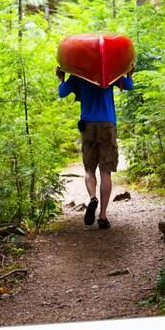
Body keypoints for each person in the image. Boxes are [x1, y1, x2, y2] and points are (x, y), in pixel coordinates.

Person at [56, 65, 135, 229]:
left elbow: (62, 92)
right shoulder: (109, 72)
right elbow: (129, 86)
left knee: (89, 169)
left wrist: (61, 77)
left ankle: (93, 197)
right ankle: (103, 216)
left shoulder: (79, 74)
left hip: (88, 125)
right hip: (107, 124)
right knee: (105, 171)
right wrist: (129, 74)